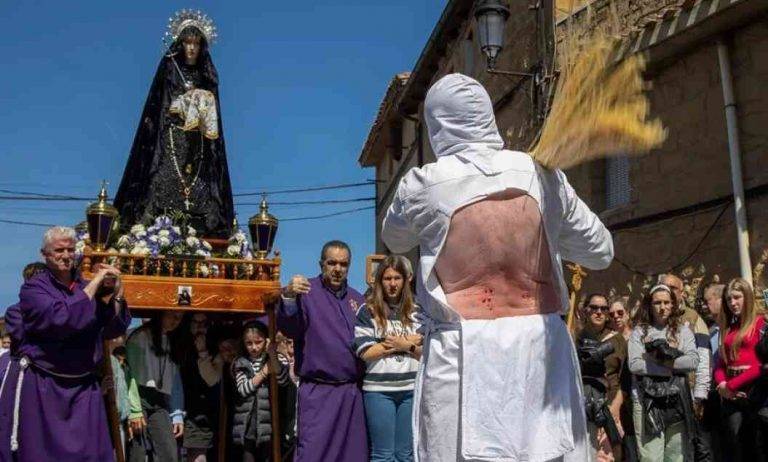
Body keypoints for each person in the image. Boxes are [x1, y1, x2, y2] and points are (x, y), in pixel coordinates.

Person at [382, 73, 613, 461]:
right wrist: (550, 227)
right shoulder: (543, 174)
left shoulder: (423, 184)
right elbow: (600, 251)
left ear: (437, 124)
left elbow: (395, 240)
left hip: (461, 354)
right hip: (540, 346)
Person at [0, 226, 131, 461]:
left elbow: (114, 328)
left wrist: (118, 294)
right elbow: (60, 319)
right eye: (59, 250)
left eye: (71, 249)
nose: (66, 255)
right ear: (45, 254)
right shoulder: (33, 289)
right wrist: (94, 284)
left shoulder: (86, 288)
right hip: (45, 386)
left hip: (84, 390)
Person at [115, 10, 234, 237]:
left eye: (196, 44)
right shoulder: (170, 68)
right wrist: (181, 102)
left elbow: (213, 112)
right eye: (188, 43)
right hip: (171, 136)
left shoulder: (206, 74)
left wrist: (202, 100)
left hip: (198, 141)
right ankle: (150, 230)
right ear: (181, 44)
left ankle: (200, 231)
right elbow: (161, 104)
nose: (191, 48)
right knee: (163, 180)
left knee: (199, 186)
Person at [279, 240, 368, 462]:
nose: (338, 269)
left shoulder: (358, 299)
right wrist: (289, 298)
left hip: (351, 395)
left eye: (343, 264)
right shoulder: (306, 291)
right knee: (313, 454)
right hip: (318, 393)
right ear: (321, 264)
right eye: (332, 263)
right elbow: (290, 327)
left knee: (353, 456)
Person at [353, 255, 422, 462]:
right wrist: (402, 343)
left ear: (406, 280)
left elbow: (426, 352)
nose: (392, 284)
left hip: (411, 389)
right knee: (383, 454)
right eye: (387, 278)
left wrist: (404, 345)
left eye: (397, 278)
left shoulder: (418, 311)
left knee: (405, 454)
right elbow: (365, 352)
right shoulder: (367, 310)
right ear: (379, 281)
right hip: (378, 391)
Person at [628, 284, 699, 461]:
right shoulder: (639, 332)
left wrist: (658, 360)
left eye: (667, 302)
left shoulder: (683, 331)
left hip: (676, 399)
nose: (662, 307)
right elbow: (635, 364)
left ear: (673, 305)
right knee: (650, 456)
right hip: (647, 400)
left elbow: (692, 361)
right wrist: (672, 368)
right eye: (657, 302)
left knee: (676, 456)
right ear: (649, 305)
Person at [712, 278, 766, 461]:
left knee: (757, 447)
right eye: (728, 299)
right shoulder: (728, 329)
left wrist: (732, 385)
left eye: (737, 297)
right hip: (731, 397)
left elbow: (762, 365)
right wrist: (722, 385)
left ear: (747, 297)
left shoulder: (760, 325)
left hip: (755, 393)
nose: (732, 303)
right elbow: (720, 363)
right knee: (736, 447)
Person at [660, 273, 712, 461]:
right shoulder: (653, 318)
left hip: (687, 394)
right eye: (665, 287)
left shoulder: (693, 318)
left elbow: (704, 360)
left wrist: (699, 396)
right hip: (660, 395)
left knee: (691, 449)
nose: (669, 291)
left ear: (682, 293)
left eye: (673, 288)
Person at [126, 311, 185, 462]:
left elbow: (175, 378)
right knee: (137, 453)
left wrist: (177, 412)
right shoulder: (140, 337)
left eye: (179, 317)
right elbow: (130, 375)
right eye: (173, 315)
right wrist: (135, 410)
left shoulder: (173, 339)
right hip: (139, 397)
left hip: (160, 400)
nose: (176, 320)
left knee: (169, 453)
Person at [576, 294, 627, 460]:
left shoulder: (618, 340)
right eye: (594, 308)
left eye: (604, 308)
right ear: (586, 310)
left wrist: (615, 407)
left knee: (608, 456)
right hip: (581, 405)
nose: (599, 312)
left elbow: (625, 378)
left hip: (609, 405)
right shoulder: (575, 338)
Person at [231, 320, 289, 461]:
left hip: (269, 424)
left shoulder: (275, 359)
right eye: (249, 343)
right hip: (247, 425)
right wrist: (264, 372)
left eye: (258, 342)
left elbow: (283, 380)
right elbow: (243, 389)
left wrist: (272, 355)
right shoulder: (241, 362)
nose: (254, 347)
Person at [180, 313, 225, 462]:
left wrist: (202, 351)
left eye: (203, 323)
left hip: (201, 412)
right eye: (196, 322)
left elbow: (212, 379)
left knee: (198, 457)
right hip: (177, 408)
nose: (200, 327)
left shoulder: (214, 348)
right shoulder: (179, 343)